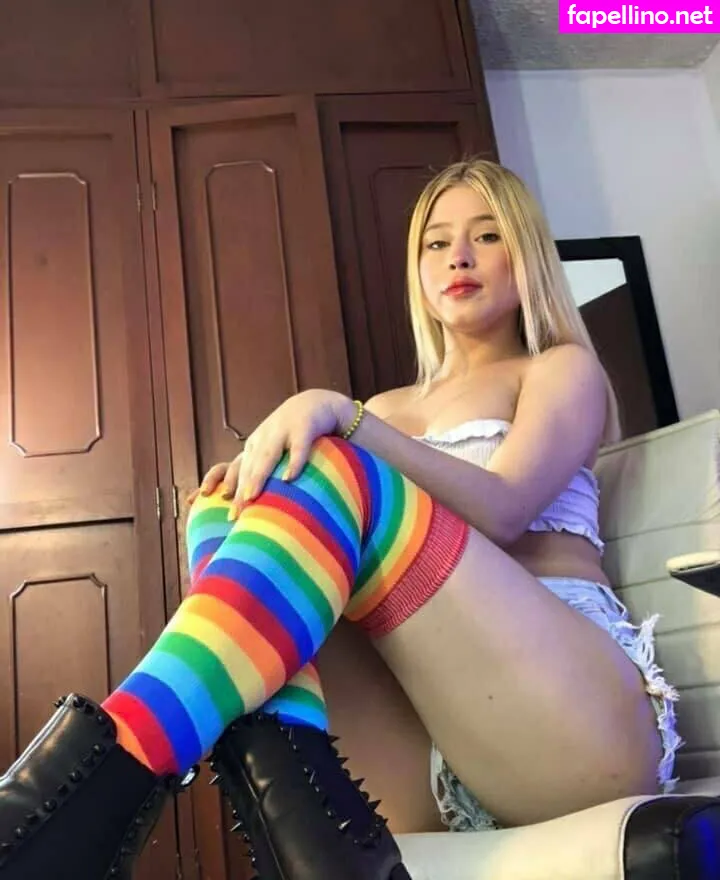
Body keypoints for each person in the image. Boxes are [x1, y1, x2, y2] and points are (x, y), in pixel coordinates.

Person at [0, 158, 681, 879]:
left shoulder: (559, 370)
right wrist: (292, 466)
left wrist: (337, 413)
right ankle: (310, 842)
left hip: (571, 716)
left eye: (487, 236)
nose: (458, 256)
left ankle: (98, 777)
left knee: (327, 464)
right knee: (225, 506)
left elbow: (504, 508)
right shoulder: (387, 411)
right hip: (424, 742)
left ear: (528, 256)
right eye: (436, 242)